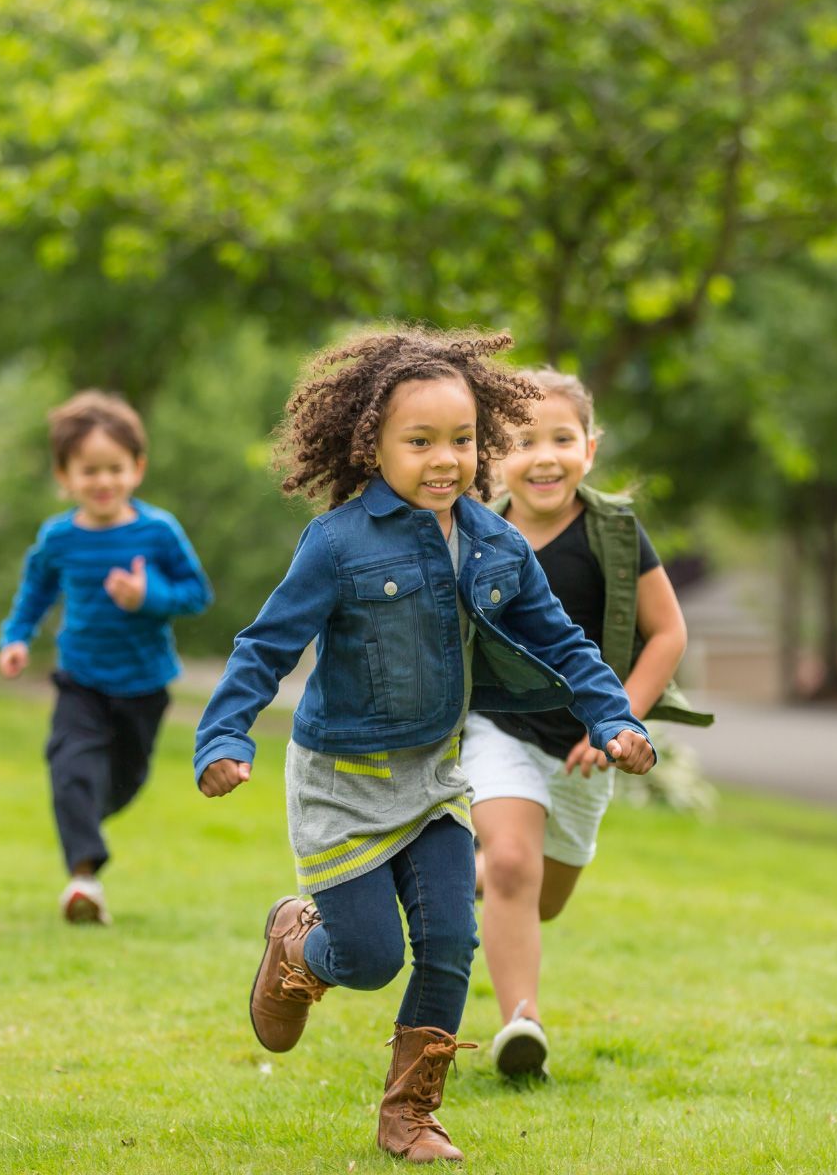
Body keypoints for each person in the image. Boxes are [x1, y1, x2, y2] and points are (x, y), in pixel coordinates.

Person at [193, 328, 655, 1164]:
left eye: (463, 440)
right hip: (342, 782)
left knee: (449, 938)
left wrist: (613, 717)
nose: (446, 460)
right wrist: (223, 734)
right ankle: (298, 945)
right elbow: (265, 647)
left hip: (436, 777)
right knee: (366, 959)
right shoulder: (336, 544)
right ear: (372, 445)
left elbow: (563, 641)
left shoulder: (493, 542)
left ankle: (410, 1116)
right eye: (421, 442)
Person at [462, 368, 712, 1080]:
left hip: (584, 747)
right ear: (492, 457)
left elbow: (668, 634)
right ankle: (522, 1024)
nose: (544, 456)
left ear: (590, 449)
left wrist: (615, 722)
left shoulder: (615, 533)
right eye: (522, 440)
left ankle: (475, 872)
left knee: (543, 898)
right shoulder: (473, 533)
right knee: (514, 864)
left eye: (561, 439)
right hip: (494, 728)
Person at [0, 391, 212, 925]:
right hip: (82, 678)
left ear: (137, 469)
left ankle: (85, 823)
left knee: (120, 783)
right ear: (64, 475)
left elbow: (196, 593)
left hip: (144, 684)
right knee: (70, 767)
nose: (102, 481)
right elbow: (35, 592)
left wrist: (148, 598)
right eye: (88, 470)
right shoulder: (59, 537)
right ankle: (84, 881)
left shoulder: (157, 531)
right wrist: (16, 636)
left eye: (114, 468)